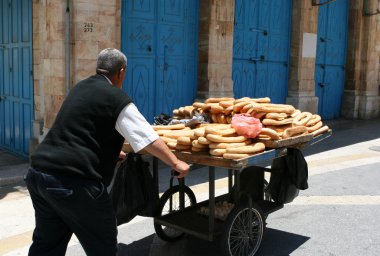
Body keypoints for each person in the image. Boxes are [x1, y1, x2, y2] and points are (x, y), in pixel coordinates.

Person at [24, 48, 190, 256]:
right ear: (121, 72)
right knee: (103, 244)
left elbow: (81, 130)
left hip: (39, 176)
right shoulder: (116, 98)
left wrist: (111, 153)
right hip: (75, 182)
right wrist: (176, 163)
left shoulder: (80, 88)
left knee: (46, 244)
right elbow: (147, 139)